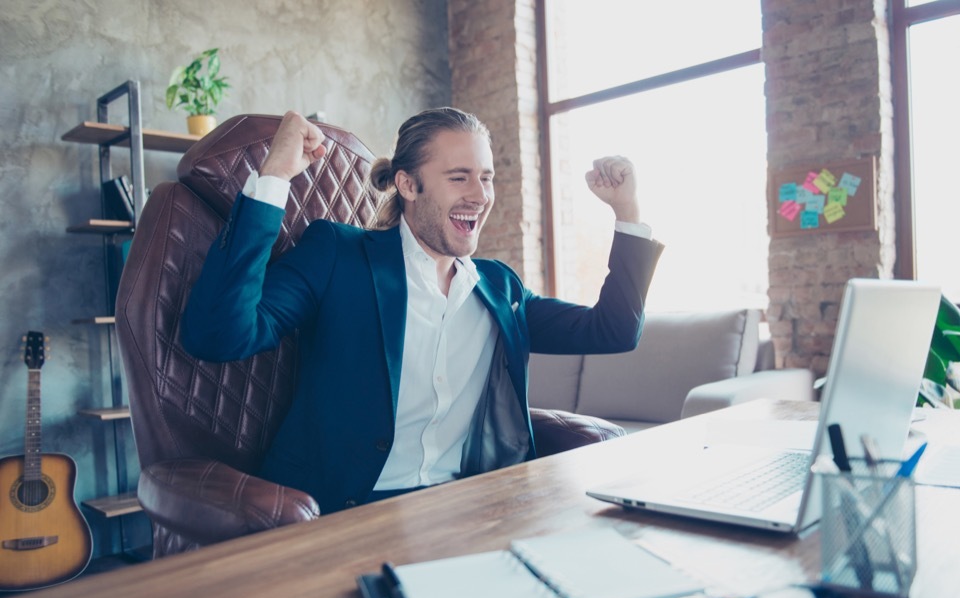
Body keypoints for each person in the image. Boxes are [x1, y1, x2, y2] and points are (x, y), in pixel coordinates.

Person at [181, 108, 663, 514]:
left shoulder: (501, 287)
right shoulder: (339, 255)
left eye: (486, 177)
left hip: (473, 510)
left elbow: (614, 331)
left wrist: (627, 211)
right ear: (409, 185)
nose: (479, 194)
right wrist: (275, 177)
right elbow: (218, 335)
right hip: (347, 514)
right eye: (459, 177)